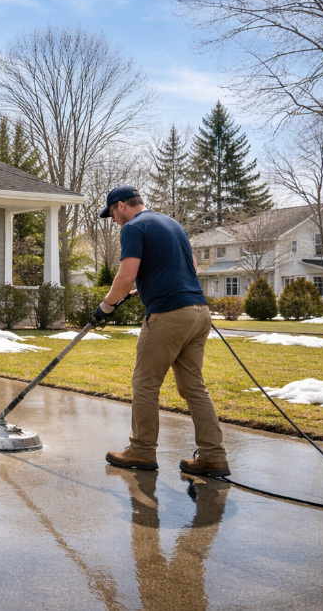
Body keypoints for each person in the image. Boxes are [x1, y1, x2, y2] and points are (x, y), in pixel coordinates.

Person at [90, 186, 230, 477]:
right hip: (198, 312)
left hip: (168, 315)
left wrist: (105, 307)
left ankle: (141, 450)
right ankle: (213, 456)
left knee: (145, 383)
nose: (114, 220)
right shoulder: (172, 224)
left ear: (120, 206)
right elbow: (189, 265)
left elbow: (126, 276)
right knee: (193, 387)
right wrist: (150, 286)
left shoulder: (132, 228)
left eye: (112, 214)